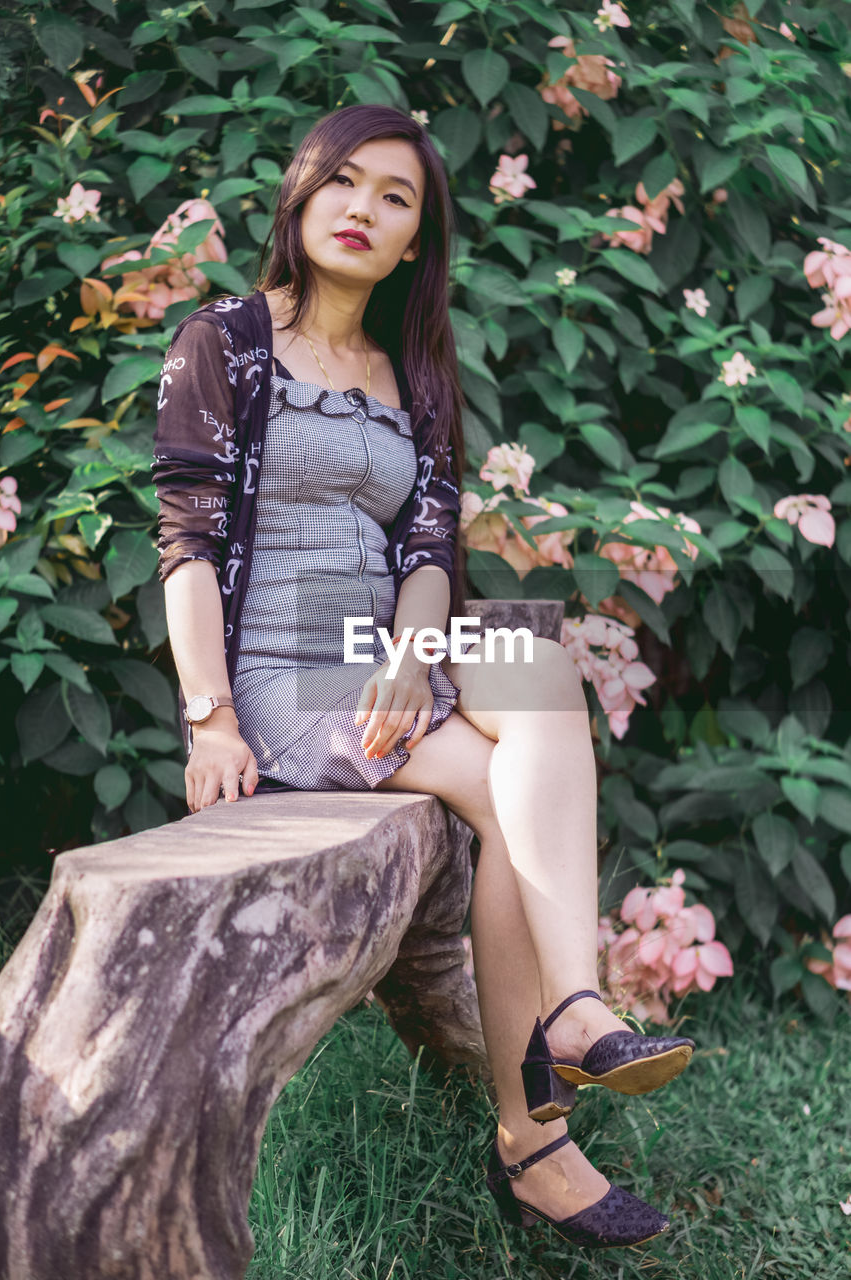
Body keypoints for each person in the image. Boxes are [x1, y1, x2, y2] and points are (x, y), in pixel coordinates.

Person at [153, 104, 695, 1252]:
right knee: (509, 785)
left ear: (415, 241)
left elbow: (429, 554)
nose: (362, 208)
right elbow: (187, 543)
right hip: (284, 662)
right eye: (343, 182)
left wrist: (411, 644)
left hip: (392, 650)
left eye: (394, 197)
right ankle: (541, 1121)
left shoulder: (417, 369)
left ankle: (562, 1038)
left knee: (542, 676)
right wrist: (206, 715)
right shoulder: (228, 339)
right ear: (300, 197)